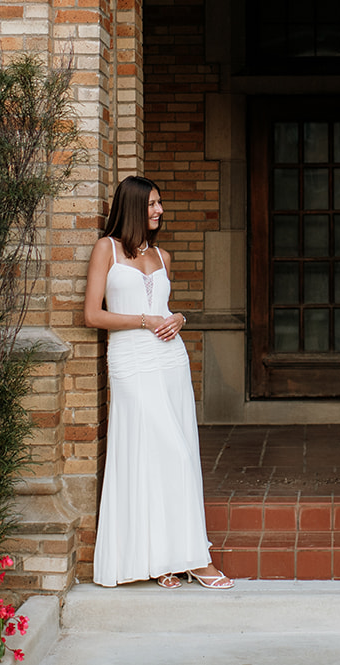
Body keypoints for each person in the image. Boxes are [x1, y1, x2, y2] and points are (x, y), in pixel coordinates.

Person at [85, 176, 233, 589]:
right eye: (152, 203)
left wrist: (178, 318)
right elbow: (93, 315)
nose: (159, 210)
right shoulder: (106, 250)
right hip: (131, 361)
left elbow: (164, 308)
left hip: (170, 360)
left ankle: (174, 559)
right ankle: (178, 558)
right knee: (156, 454)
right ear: (132, 206)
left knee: (177, 450)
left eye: (160, 203)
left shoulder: (163, 256)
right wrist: (145, 321)